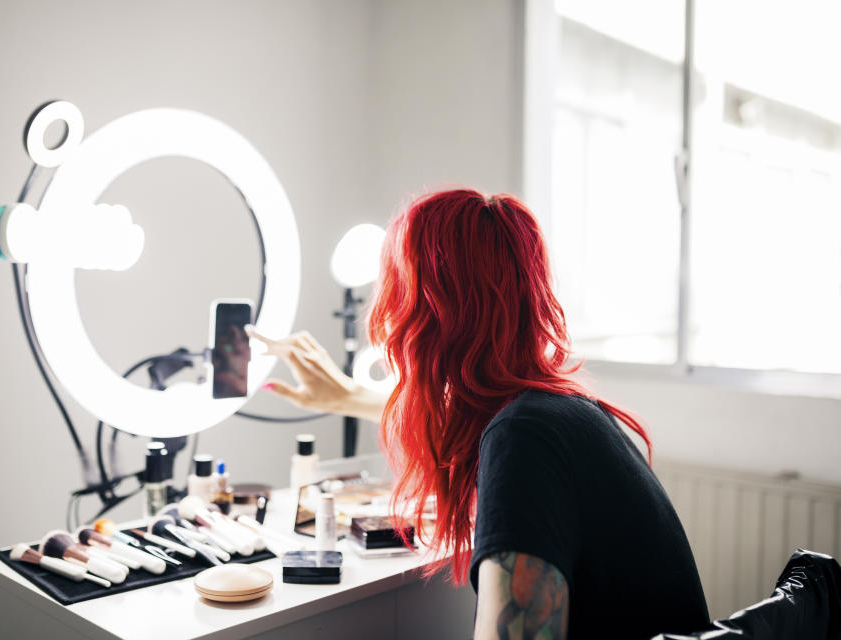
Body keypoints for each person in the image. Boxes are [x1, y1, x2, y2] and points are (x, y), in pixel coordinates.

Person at [246, 189, 710, 640]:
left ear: (427, 313)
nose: (384, 318)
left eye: (393, 293)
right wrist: (348, 397)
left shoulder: (523, 439)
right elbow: (457, 414)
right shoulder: (556, 414)